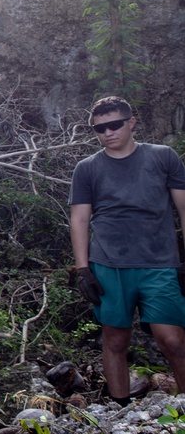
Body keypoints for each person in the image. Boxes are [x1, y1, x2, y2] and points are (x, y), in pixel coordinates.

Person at [69, 95, 185, 405]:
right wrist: (83, 270)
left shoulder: (163, 157)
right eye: (100, 128)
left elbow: (183, 207)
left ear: (131, 123)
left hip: (159, 262)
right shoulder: (88, 168)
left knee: (172, 339)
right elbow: (80, 218)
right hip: (108, 264)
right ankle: (120, 407)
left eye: (115, 125)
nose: (108, 133)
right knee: (116, 339)